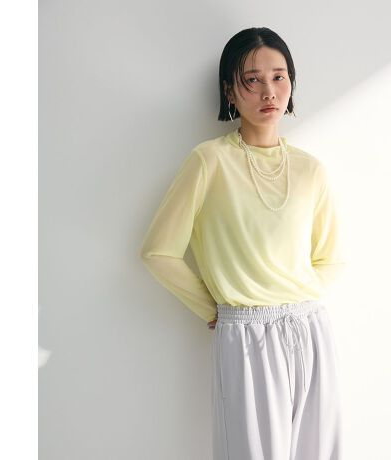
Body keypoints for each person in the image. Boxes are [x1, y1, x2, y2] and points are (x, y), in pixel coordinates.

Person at [140, 27, 346, 460]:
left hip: (310, 328)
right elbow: (159, 252)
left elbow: (330, 258)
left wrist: (295, 297)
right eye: (252, 79)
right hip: (247, 332)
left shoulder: (310, 169)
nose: (268, 91)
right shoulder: (209, 161)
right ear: (229, 91)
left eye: (279, 77)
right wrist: (214, 309)